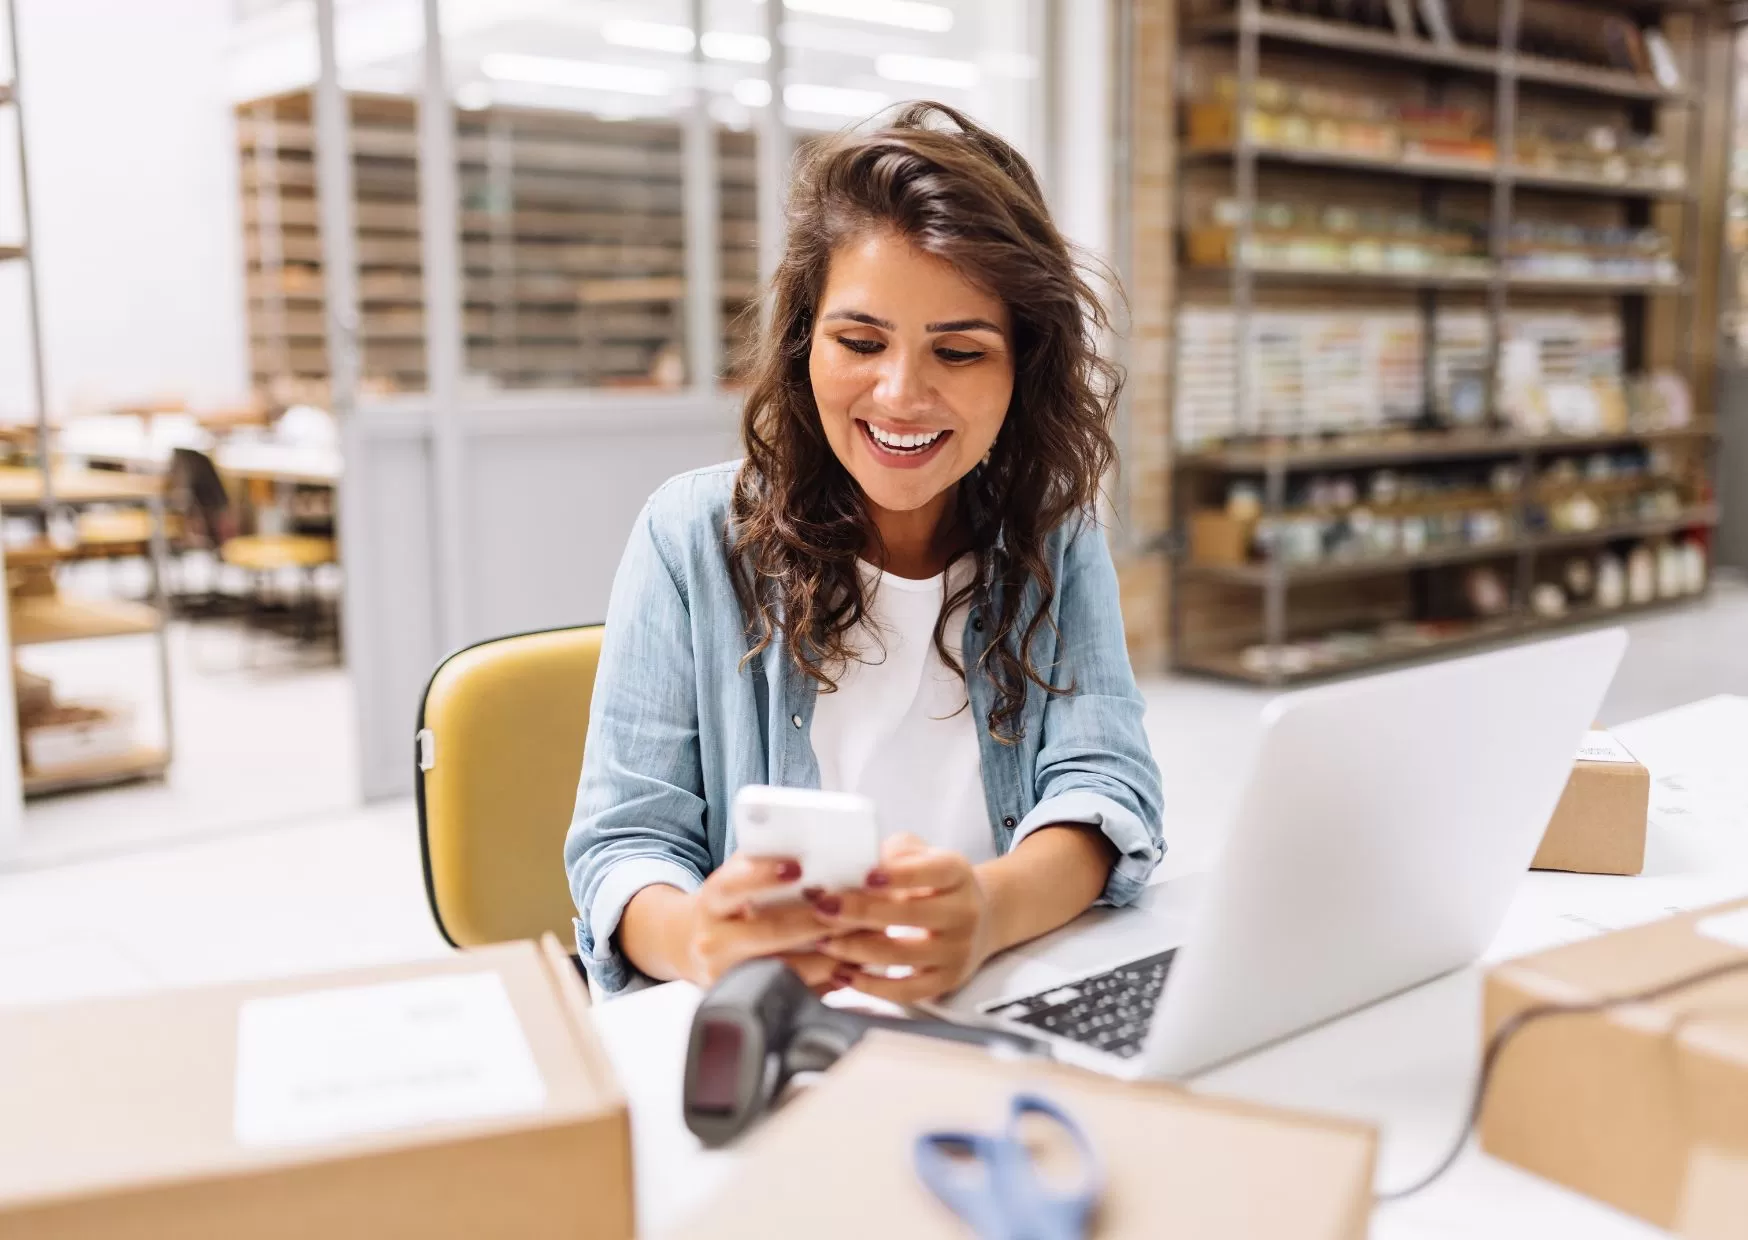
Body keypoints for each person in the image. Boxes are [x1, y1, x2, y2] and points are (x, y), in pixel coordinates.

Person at [565, 101, 1164, 1000]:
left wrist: (991, 912)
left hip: (997, 1000)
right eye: (860, 341)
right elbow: (626, 844)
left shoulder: (1053, 534)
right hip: (783, 1025)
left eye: (959, 352)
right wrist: (700, 939)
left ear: (1021, 370)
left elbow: (1105, 784)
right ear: (805, 344)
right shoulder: (691, 536)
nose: (901, 394)